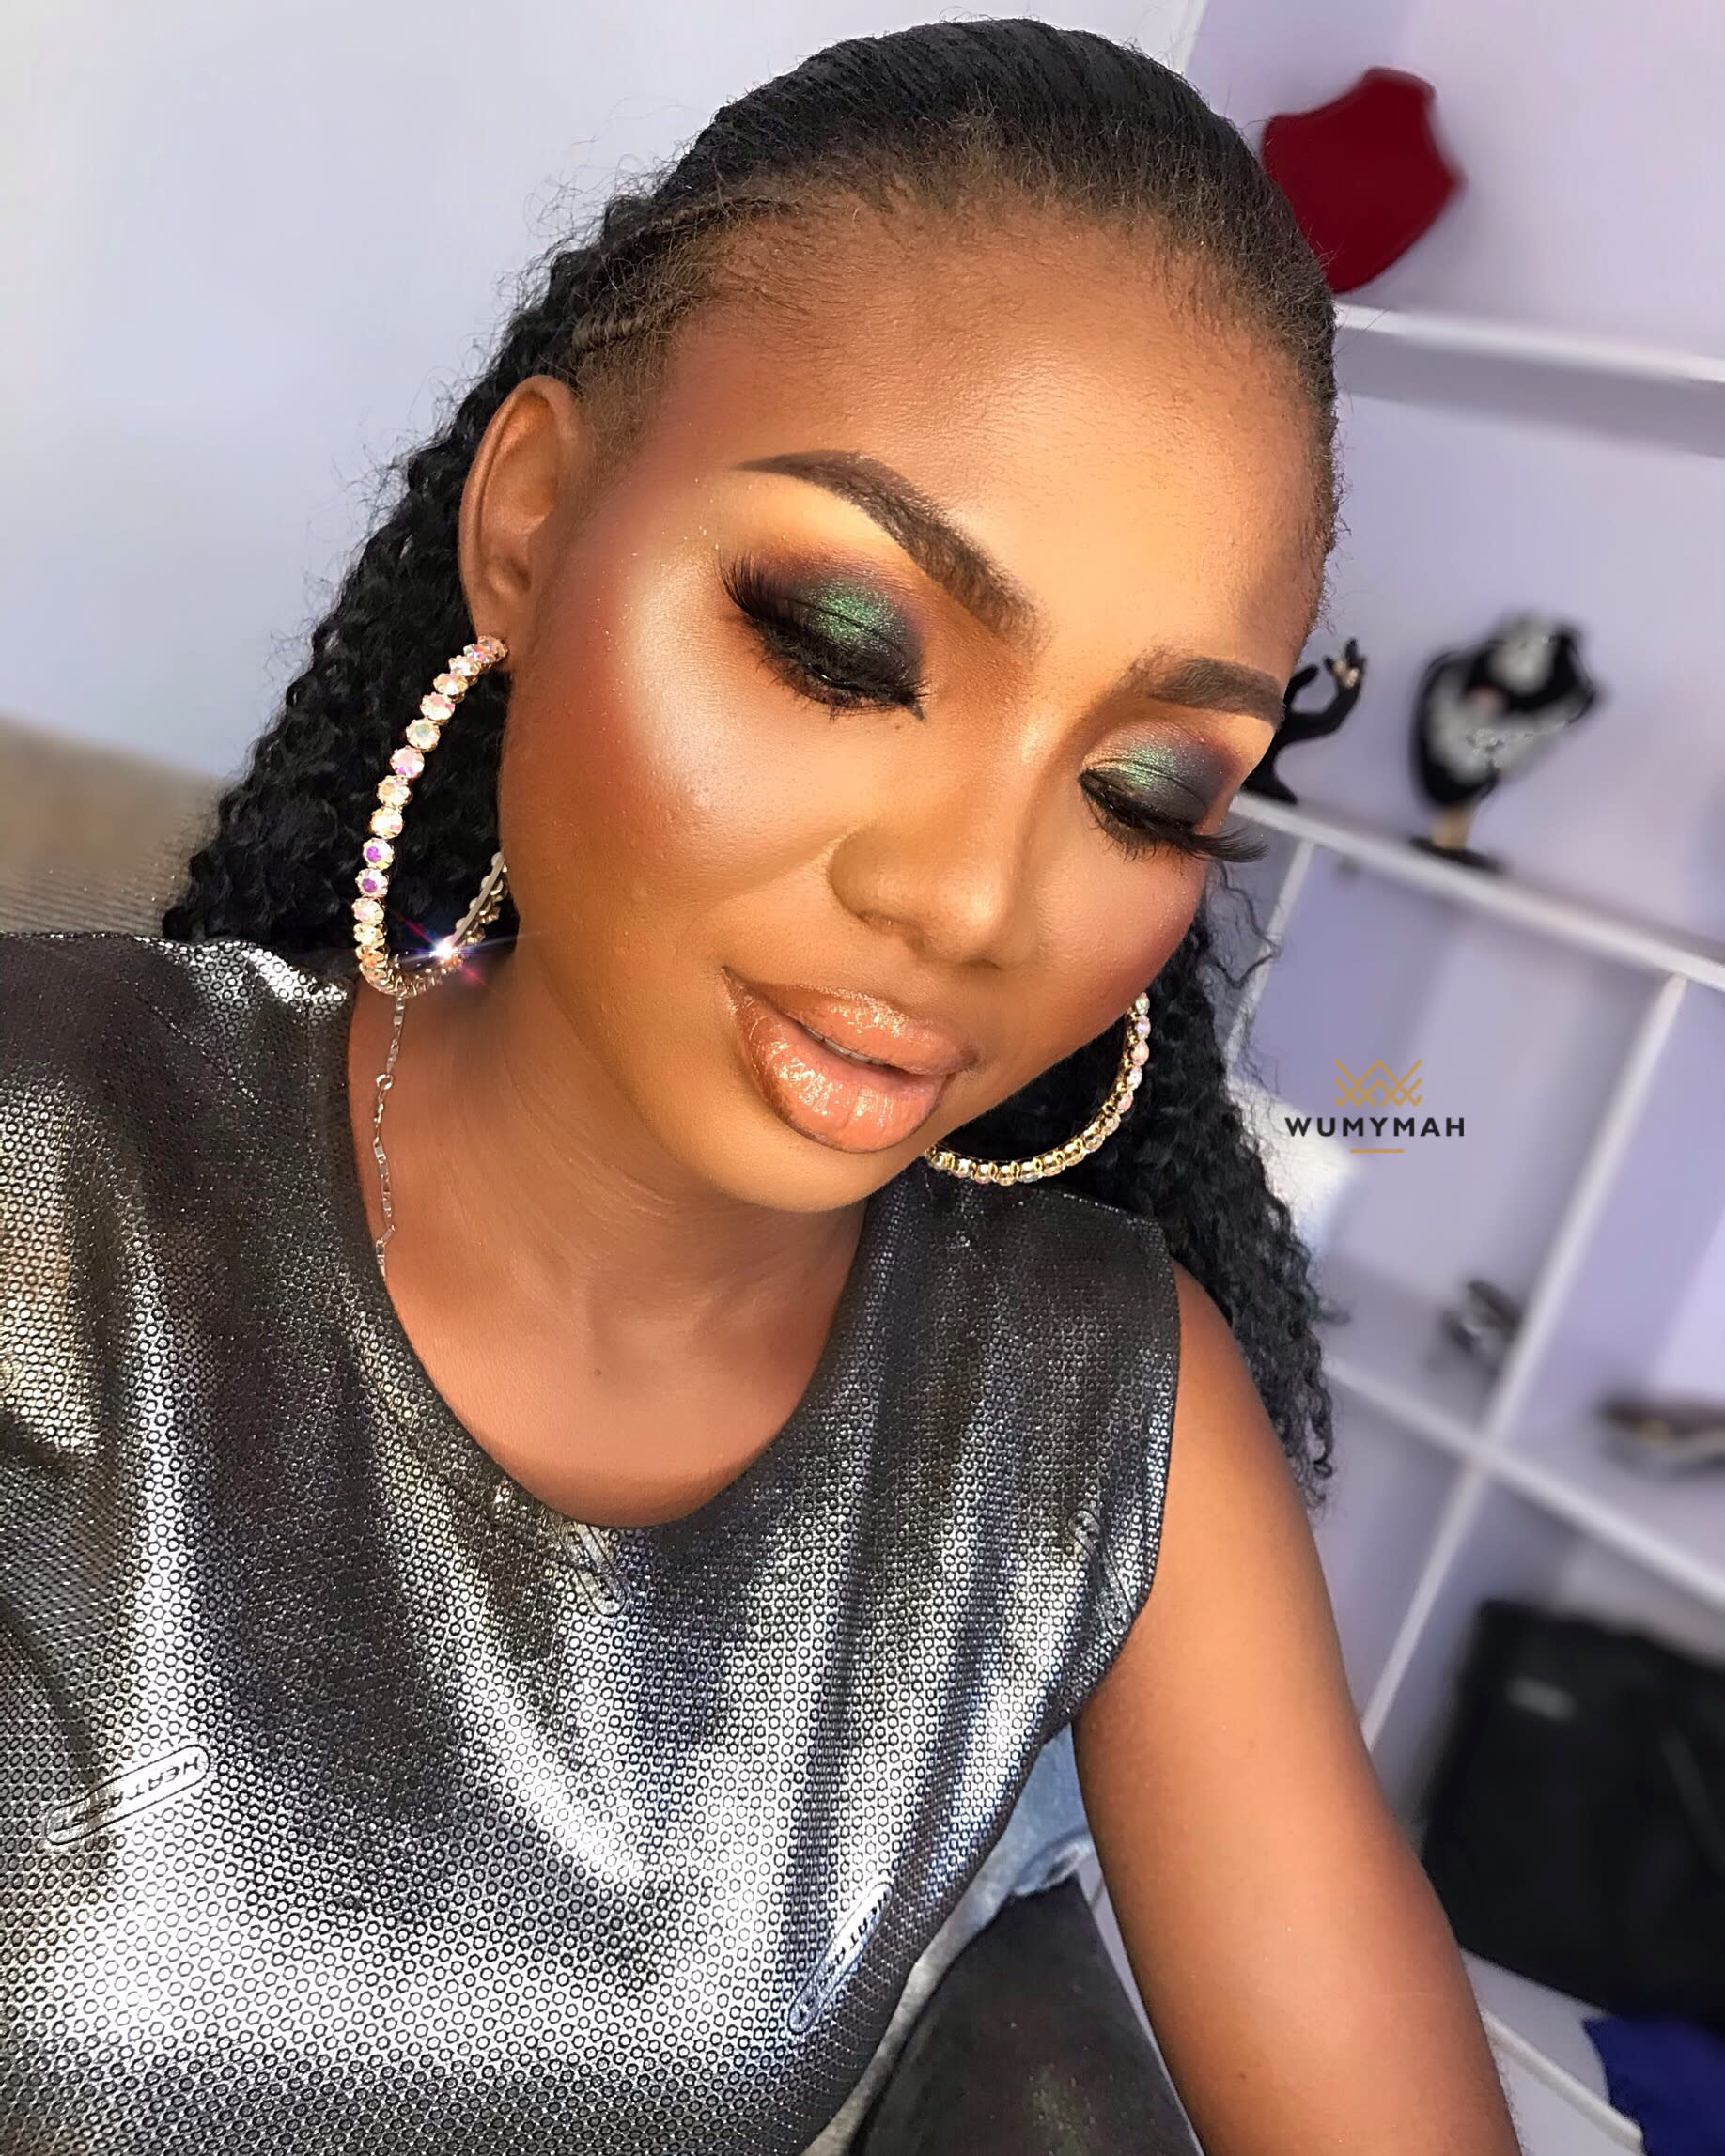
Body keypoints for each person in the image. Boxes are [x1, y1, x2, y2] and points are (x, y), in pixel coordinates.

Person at [0, 21, 1522, 2154]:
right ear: (530, 521)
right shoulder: (47, 1157)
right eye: (838, 643)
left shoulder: (1102, 1416)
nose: (972, 899)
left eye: (1147, 787)